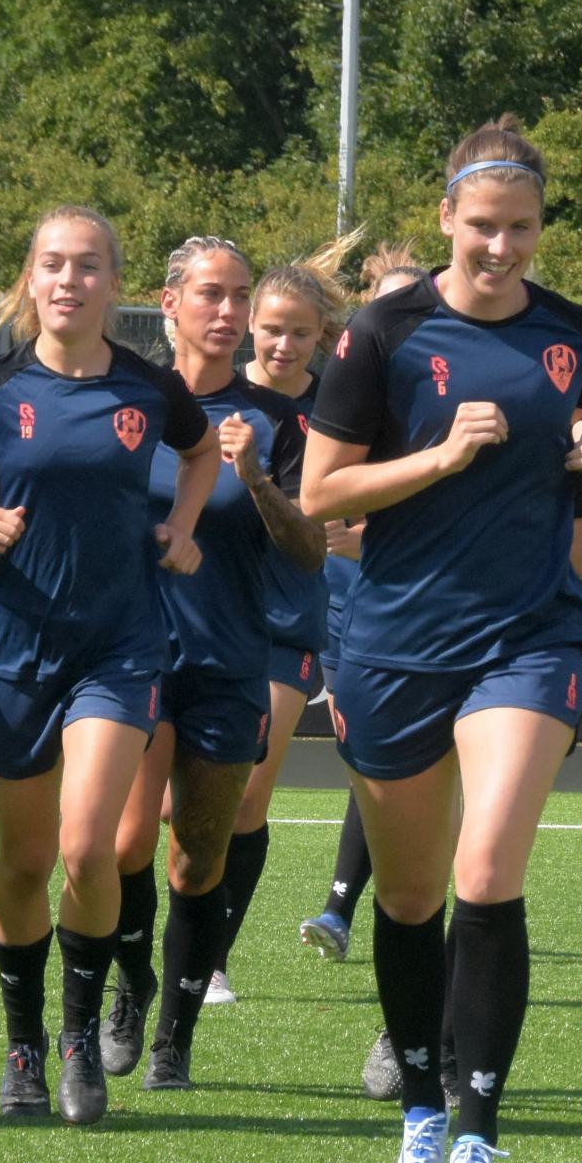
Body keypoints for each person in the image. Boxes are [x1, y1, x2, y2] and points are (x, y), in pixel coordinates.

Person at [302, 116, 582, 1163]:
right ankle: (421, 1114)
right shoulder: (380, 333)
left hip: (527, 635)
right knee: (407, 895)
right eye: (483, 226)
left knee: (487, 871)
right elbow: (320, 494)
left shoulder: (571, 333)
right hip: (396, 641)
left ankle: (480, 1130)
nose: (501, 248)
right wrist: (439, 456)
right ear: (446, 216)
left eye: (522, 229)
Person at [0, 205, 219, 1123]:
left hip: (119, 646)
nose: (69, 281)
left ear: (115, 284)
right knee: (24, 861)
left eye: (88, 266)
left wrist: (183, 527)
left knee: (88, 849)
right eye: (52, 264)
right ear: (30, 276)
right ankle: (24, 1047)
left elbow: (200, 454)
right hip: (16, 647)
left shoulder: (148, 387)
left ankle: (80, 1034)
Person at [105, 237, 323, 1090]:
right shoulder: (123, 400)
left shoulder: (277, 419)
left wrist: (256, 477)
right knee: (124, 842)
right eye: (211, 295)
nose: (228, 312)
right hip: (131, 655)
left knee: (198, 858)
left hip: (233, 659)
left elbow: (310, 551)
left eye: (240, 296)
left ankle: (174, 1037)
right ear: (169, 304)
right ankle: (129, 985)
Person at [205, 230, 363, 1006]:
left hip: (286, 620)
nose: (284, 343)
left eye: (302, 332)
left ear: (323, 337)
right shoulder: (213, 400)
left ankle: (211, 960)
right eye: (272, 327)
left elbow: (360, 506)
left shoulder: (339, 412)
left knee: (247, 795)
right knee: (176, 807)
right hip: (199, 617)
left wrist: (352, 527)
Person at [299, 244, 432, 975]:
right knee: (369, 763)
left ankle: (346, 906)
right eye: (388, 303)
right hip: (350, 609)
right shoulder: (344, 396)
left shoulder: (455, 398)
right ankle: (354, 906)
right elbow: (315, 503)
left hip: (436, 614)